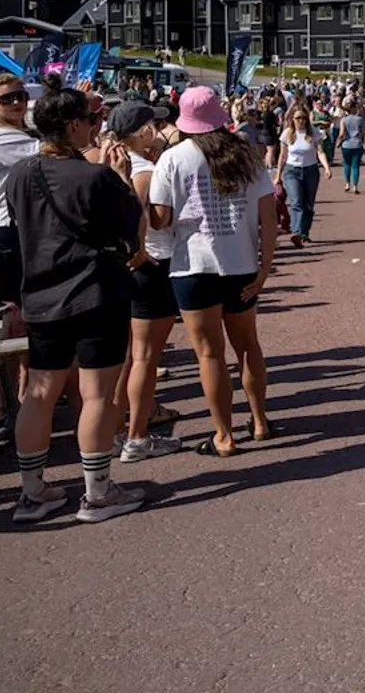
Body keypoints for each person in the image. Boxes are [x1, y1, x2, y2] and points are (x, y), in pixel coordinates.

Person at [2, 82, 147, 524]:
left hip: (42, 295)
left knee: (40, 392)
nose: (95, 127)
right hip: (94, 293)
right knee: (97, 393)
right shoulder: (95, 176)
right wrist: (121, 178)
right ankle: (97, 492)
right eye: (90, 119)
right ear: (72, 125)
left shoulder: (20, 174)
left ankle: (32, 491)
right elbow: (130, 230)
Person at [149, 86, 277, 458]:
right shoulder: (249, 157)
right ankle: (259, 420)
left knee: (209, 354)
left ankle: (224, 434)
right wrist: (265, 266)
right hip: (241, 264)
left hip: (194, 265)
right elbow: (268, 218)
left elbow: (160, 220)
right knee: (248, 345)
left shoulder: (173, 159)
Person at [109, 100, 183, 461]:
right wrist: (137, 251)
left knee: (130, 356)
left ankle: (118, 429)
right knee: (145, 358)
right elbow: (144, 219)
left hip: (129, 269)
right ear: (142, 131)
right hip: (151, 264)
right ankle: (137, 436)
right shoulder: (144, 172)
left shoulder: (108, 162)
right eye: (152, 125)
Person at [0, 71, 40, 302]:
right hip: (7, 231)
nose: (16, 103)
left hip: (13, 230)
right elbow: (54, 153)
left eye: (21, 96)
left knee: (20, 311)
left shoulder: (15, 134)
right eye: (7, 99)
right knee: (24, 309)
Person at [278, 104, 323, 249]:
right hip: (292, 171)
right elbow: (283, 155)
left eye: (304, 118)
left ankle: (304, 232)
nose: (301, 121)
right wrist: (278, 175)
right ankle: (296, 232)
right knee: (296, 201)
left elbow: (320, 152)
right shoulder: (287, 134)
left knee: (308, 205)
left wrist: (327, 167)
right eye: (298, 118)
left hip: (311, 170)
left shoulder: (313, 132)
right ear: (292, 119)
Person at [336, 99, 365, 193]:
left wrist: (339, 142)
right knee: (355, 166)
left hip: (346, 144)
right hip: (357, 144)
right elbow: (363, 132)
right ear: (353, 109)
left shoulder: (343, 120)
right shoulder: (360, 119)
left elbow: (341, 133)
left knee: (347, 164)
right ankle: (355, 186)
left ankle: (347, 184)